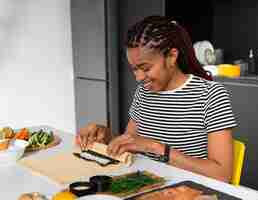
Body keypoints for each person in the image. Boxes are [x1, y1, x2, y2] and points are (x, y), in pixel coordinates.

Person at [76, 15, 237, 183]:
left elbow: (222, 174)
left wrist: (157, 148)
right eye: (134, 69)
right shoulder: (143, 92)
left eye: (145, 68)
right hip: (145, 185)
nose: (138, 77)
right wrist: (105, 135)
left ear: (172, 57)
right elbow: (130, 143)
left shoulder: (211, 95)